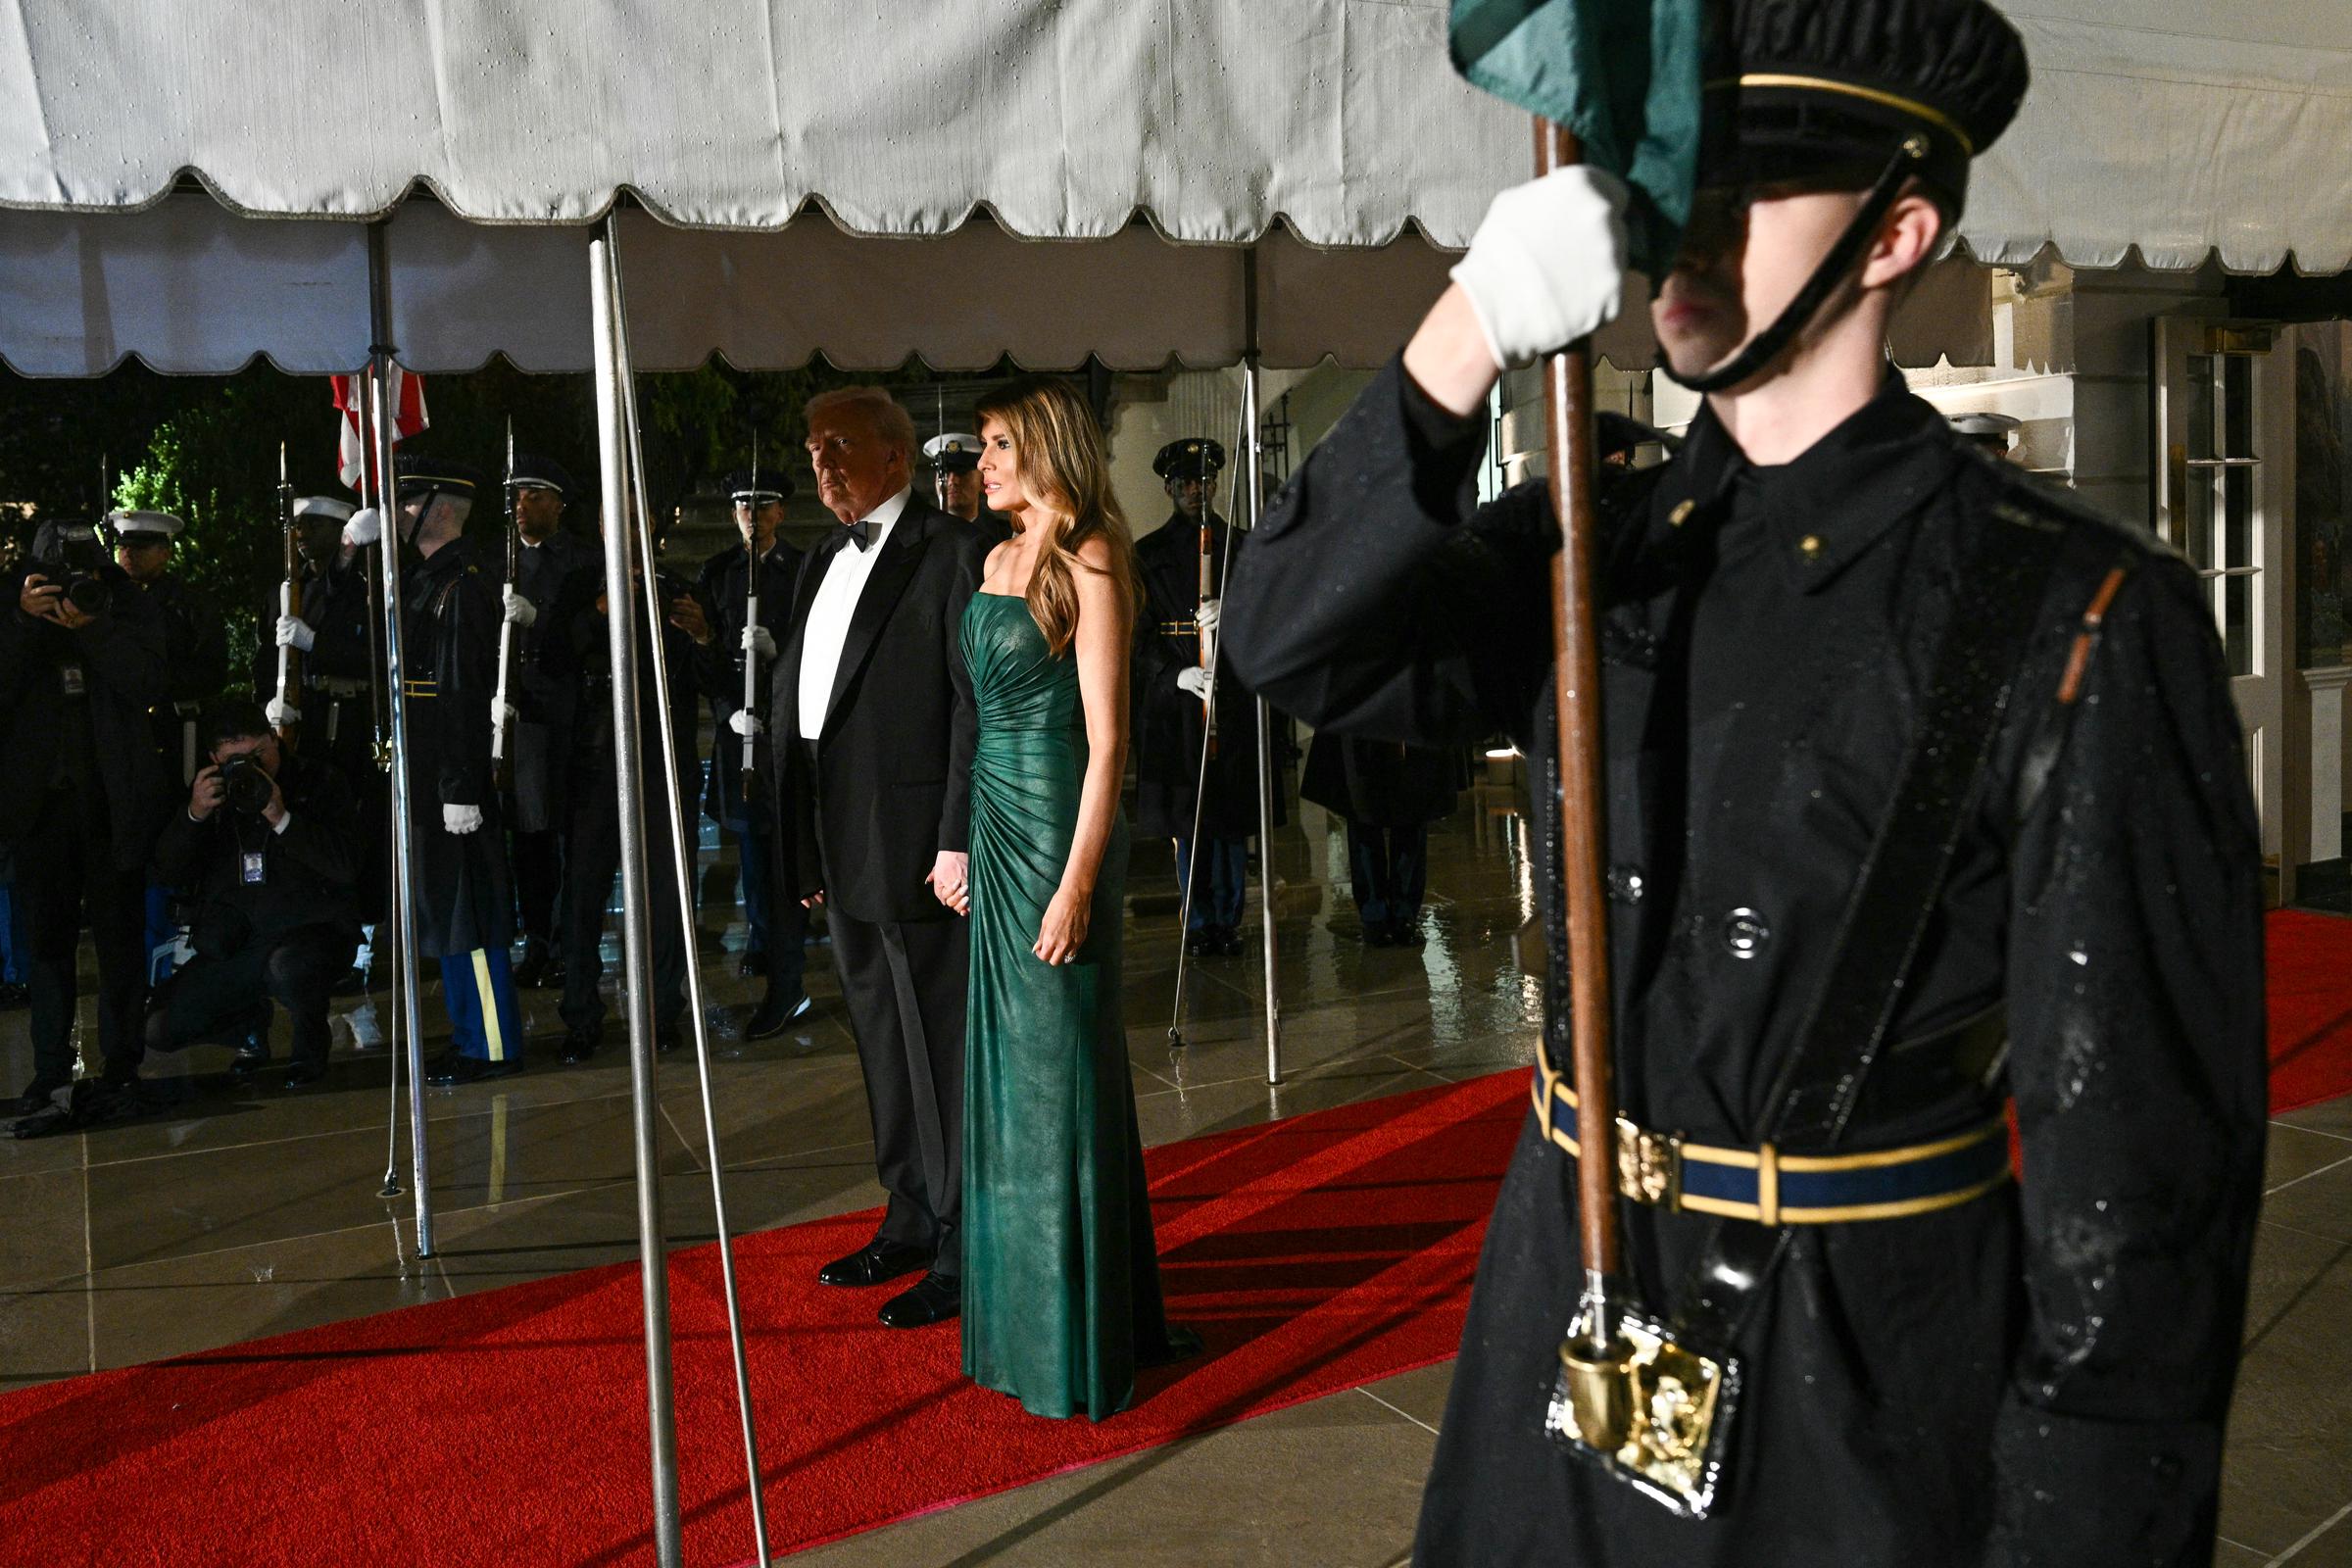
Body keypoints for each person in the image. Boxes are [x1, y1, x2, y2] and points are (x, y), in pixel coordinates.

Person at [1221, 3, 2267, 1564]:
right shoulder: (1601, 535)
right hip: (1564, 1316)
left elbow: (2141, 1221)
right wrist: (1462, 339)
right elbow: (1286, 645)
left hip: (1851, 1378)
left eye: (1750, 189)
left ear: (1900, 230)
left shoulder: (2069, 614)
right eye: (1670, 184)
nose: (1684, 234)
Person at [957, 376, 1200, 1418]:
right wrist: (967, 845)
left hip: (1060, 827)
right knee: (1011, 1085)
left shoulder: (1092, 556)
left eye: (999, 444)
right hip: (996, 826)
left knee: (1062, 1084)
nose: (983, 462)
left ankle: (1077, 1342)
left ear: (1046, 446)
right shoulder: (993, 556)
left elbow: (1110, 746)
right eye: (981, 445)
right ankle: (1020, 1327)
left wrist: (1079, 887)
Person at [769, 385, 989, 1328]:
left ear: (896, 457)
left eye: (841, 447)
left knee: (938, 1042)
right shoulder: (822, 553)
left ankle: (962, 1242)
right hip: (839, 834)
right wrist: (801, 841)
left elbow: (968, 708)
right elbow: (808, 702)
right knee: (880, 1036)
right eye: (814, 449)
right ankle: (907, 1213)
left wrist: (953, 835)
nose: (821, 464)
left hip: (913, 841)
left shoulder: (951, 553)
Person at [346, 454, 527, 1088]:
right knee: (446, 911)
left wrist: (459, 786)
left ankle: (494, 1042)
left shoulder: (461, 585)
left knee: (470, 913)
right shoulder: (426, 579)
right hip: (427, 777)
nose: (394, 513)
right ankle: (469, 1035)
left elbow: (458, 693)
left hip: (453, 781)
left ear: (438, 508)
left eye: (403, 501)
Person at [0, 520, 171, 1111]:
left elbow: (148, 678)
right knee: (46, 943)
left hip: (112, 800)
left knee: (120, 938)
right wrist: (24, 621)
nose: (74, 588)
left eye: (87, 576)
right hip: (40, 808)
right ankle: (50, 1068)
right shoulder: (13, 606)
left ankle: (121, 1064)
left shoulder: (122, 605)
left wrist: (95, 629)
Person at [143, 703, 362, 1090]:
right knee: (158, 1028)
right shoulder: (213, 797)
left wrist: (283, 818)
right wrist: (194, 815)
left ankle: (309, 1047)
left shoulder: (319, 780)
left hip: (311, 934)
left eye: (260, 754)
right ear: (214, 759)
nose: (253, 768)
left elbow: (346, 866)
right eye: (236, 760)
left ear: (275, 739)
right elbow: (167, 871)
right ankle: (247, 1029)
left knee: (288, 968)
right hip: (240, 940)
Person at [1131, 437, 1281, 958]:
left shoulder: (1242, 546)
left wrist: (1231, 621)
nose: (1197, 490)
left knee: (1231, 820)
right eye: (1186, 482)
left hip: (1231, 699)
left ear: (1216, 484)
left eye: (1204, 481)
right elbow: (1136, 636)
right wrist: (1177, 674)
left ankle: (1229, 919)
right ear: (1171, 488)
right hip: (1178, 706)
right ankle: (1196, 921)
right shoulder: (1146, 554)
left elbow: (1270, 624)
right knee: (1190, 821)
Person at [679, 467, 812, 1033]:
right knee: (755, 859)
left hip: (787, 738)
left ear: (780, 512)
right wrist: (725, 699)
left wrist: (780, 654)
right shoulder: (718, 573)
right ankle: (765, 941)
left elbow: (819, 652)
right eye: (741, 507)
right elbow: (702, 662)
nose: (751, 516)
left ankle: (789, 974)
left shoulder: (802, 569)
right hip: (740, 736)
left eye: (762, 506)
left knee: (785, 861)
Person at [556, 555, 701, 1062]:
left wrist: (701, 633)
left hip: (661, 759)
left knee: (667, 892)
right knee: (583, 897)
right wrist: (603, 607)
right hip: (596, 761)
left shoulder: (677, 583)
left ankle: (663, 1010)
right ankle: (580, 1013)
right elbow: (558, 654)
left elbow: (704, 670)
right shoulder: (580, 580)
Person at [269, 495, 387, 991]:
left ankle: (366, 944)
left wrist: (318, 645)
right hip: (316, 720)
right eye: (296, 525)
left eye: (310, 525)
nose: (298, 534)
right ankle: (330, 938)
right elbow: (276, 657)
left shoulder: (367, 589)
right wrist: (277, 700)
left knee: (361, 830)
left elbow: (377, 656)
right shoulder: (302, 590)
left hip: (358, 723)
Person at [113, 509, 227, 986]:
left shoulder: (189, 603)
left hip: (176, 733)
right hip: (127, 736)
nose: (129, 556)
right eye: (124, 546)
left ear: (165, 551)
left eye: (141, 547)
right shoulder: (110, 602)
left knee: (181, 837)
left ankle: (181, 950)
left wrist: (155, 686)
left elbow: (212, 671)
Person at [502, 453, 601, 990]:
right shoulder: (501, 559)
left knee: (562, 834)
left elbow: (589, 636)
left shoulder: (582, 560)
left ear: (559, 504)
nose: (522, 505)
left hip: (564, 713)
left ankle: (566, 939)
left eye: (534, 495)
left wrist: (540, 624)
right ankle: (538, 939)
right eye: (517, 496)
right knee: (527, 839)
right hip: (514, 714)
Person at [1298, 734, 1462, 947]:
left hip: (1406, 727)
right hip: (1363, 726)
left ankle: (1400, 914)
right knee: (1365, 813)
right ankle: (1377, 914)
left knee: (1409, 811)